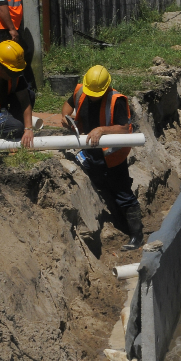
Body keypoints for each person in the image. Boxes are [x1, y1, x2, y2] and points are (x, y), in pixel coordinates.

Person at [61, 65, 144, 251]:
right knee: (103, 188)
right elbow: (68, 104)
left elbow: (125, 128)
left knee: (122, 193)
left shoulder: (117, 100)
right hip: (91, 152)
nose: (92, 96)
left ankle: (136, 236)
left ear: (107, 87)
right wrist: (65, 117)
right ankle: (121, 224)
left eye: (96, 94)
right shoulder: (81, 90)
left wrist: (102, 130)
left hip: (112, 155)